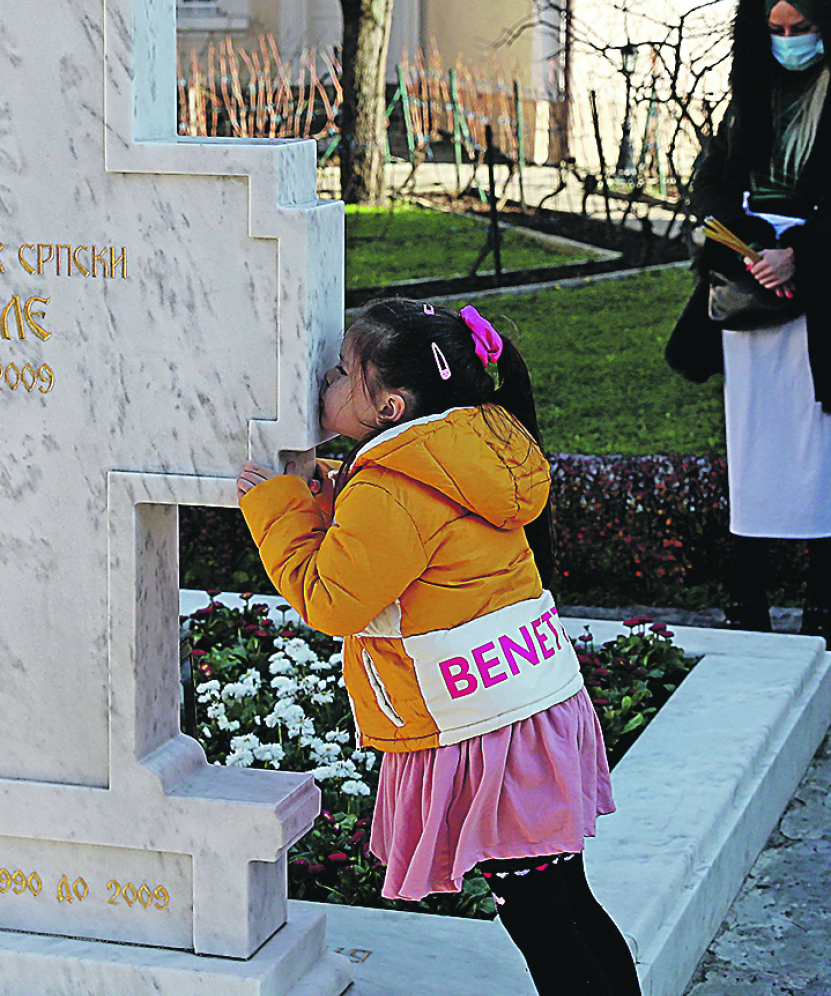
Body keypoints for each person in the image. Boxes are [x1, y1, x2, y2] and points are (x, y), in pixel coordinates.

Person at [237, 299, 638, 996]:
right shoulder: (468, 446)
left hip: (485, 731)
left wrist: (279, 511)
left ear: (389, 405)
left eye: (340, 373)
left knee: (543, 923)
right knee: (566, 902)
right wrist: (338, 507)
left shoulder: (393, 485)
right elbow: (424, 559)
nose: (323, 384)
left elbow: (332, 599)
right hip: (535, 710)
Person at [663, 0, 831, 650]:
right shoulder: (750, 101)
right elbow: (709, 183)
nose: (789, 42)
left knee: (824, 448)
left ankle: (824, 605)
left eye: (802, 30)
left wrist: (802, 253)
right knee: (754, 446)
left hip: (826, 298)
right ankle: (748, 599)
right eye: (777, 31)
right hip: (749, 292)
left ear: (829, 28)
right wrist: (750, 246)